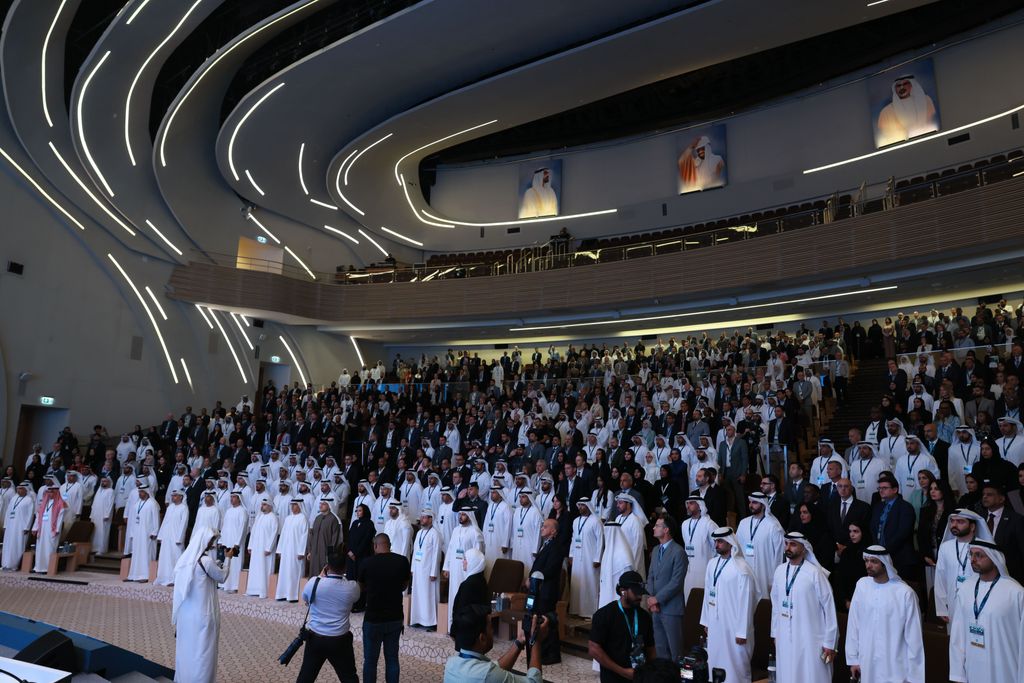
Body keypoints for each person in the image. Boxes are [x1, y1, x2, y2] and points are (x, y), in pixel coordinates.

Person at [845, 545, 925, 682]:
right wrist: (853, 659)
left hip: (895, 667)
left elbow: (914, 638)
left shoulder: (905, 593)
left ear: (885, 563)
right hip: (867, 663)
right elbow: (854, 624)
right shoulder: (862, 585)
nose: (868, 565)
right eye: (866, 561)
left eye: (874, 561)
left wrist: (914, 677)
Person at [948, 538, 1024, 682]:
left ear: (994, 559)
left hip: (1005, 671)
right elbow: (958, 635)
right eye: (971, 554)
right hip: (973, 669)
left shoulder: (1015, 592)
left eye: (979, 555)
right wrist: (958, 674)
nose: (973, 560)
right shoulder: (965, 589)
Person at [769, 532, 838, 683]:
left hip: (810, 637)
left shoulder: (814, 573)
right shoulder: (779, 571)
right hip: (784, 634)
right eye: (787, 544)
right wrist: (775, 633)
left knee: (809, 674)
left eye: (793, 544)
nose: (788, 547)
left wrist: (829, 642)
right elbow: (775, 605)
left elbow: (829, 608)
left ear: (803, 548)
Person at [171, 526, 234, 683]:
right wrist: (228, 558)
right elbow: (222, 576)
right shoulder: (206, 561)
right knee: (203, 654)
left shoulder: (186, 560)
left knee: (187, 651)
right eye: (211, 541)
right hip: (202, 616)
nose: (212, 544)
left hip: (186, 615)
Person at [700, 527, 757, 683]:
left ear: (730, 543)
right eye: (715, 541)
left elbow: (746, 602)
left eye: (720, 541)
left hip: (734, 627)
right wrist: (706, 621)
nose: (716, 545)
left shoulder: (742, 568)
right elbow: (707, 593)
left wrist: (742, 631)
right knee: (714, 660)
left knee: (734, 666)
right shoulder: (712, 564)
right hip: (715, 623)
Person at [295, 551, 360, 683]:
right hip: (339, 640)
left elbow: (306, 599)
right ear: (345, 568)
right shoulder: (352, 587)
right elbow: (355, 598)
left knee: (305, 678)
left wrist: (320, 576)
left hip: (315, 638)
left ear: (327, 566)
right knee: (349, 678)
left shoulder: (314, 583)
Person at [444, 603, 549, 683]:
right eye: (491, 627)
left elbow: (496, 669)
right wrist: (536, 640)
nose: (493, 631)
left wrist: (519, 641)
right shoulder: (486, 674)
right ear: (482, 638)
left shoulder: (451, 664)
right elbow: (535, 681)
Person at [358, 533, 411, 683]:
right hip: (395, 617)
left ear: (375, 546)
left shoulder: (367, 563)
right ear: (389, 545)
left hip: (373, 619)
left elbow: (360, 587)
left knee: (370, 661)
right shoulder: (402, 561)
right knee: (392, 659)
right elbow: (404, 585)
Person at [588, 570, 656, 683]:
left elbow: (651, 649)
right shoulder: (604, 615)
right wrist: (623, 671)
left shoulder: (644, 616)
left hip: (639, 677)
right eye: (636, 592)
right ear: (623, 591)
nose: (640, 596)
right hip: (613, 678)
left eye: (641, 593)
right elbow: (594, 649)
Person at [646, 513, 687, 662]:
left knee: (675, 650)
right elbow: (651, 576)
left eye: (657, 526)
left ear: (666, 530)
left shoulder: (679, 552)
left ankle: (677, 674)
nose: (654, 528)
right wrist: (651, 598)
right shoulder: (656, 550)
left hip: (671, 608)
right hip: (655, 608)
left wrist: (657, 599)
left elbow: (676, 582)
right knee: (660, 648)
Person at [528, 518, 567, 664]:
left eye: (545, 527)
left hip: (547, 591)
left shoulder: (556, 547)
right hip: (539, 589)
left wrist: (534, 577)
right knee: (540, 619)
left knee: (547, 620)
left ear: (553, 531)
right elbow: (537, 565)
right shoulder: (545, 545)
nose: (541, 528)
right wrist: (530, 577)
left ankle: (551, 654)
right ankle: (541, 651)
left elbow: (550, 569)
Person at [736, 492, 785, 599]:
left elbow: (779, 554)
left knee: (764, 603)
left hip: (765, 573)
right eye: (750, 502)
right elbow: (737, 549)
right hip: (745, 572)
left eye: (754, 503)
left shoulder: (773, 526)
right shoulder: (743, 523)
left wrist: (775, 579)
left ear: (763, 505)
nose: (751, 505)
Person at [569, 497, 603, 618]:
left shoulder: (596, 521)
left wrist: (597, 559)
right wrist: (571, 555)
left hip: (590, 558)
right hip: (577, 557)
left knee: (589, 583)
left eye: (582, 505)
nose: (580, 507)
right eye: (579, 505)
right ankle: (575, 610)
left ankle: (589, 612)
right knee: (577, 583)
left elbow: (600, 541)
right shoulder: (575, 521)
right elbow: (573, 539)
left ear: (588, 506)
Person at [410, 510, 443, 631]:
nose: (422, 520)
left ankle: (430, 622)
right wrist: (413, 568)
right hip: (418, 569)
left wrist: (433, 572)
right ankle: (417, 619)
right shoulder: (419, 533)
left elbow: (436, 555)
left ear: (430, 519)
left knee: (428, 596)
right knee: (417, 594)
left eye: (424, 518)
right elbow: (415, 552)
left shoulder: (435, 534)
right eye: (421, 517)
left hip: (428, 571)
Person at [276, 499, 309, 602]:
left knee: (294, 572)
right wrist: (280, 549)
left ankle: (293, 595)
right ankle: (282, 594)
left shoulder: (303, 518)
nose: (293, 507)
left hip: (296, 552)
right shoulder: (288, 518)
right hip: (286, 551)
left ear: (300, 506)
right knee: (284, 572)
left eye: (295, 505)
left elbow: (304, 536)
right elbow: (283, 534)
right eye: (292, 505)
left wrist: (301, 552)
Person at [126, 484, 159, 582]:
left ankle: (145, 576)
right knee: (136, 554)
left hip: (147, 534)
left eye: (142, 492)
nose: (140, 494)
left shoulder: (152, 503)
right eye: (139, 492)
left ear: (147, 492)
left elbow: (156, 519)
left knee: (146, 554)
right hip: (137, 533)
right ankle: (133, 575)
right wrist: (132, 532)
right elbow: (133, 519)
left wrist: (155, 532)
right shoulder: (137, 503)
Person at [245, 500, 278, 598]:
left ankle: (263, 592)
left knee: (264, 569)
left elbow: (274, 534)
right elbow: (253, 533)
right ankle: (252, 590)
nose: (262, 506)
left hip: (265, 550)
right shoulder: (259, 517)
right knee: (255, 569)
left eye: (264, 505)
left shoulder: (273, 518)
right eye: (262, 505)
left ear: (270, 506)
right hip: (256, 549)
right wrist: (250, 546)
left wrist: (269, 548)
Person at [155, 490, 188, 586]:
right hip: (166, 537)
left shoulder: (184, 508)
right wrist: (161, 535)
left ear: (181, 497)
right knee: (165, 557)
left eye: (175, 496)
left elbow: (183, 524)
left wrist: (179, 538)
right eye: (172, 496)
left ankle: (174, 579)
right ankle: (163, 577)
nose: (173, 497)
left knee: (175, 557)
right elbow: (165, 522)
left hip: (176, 538)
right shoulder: (170, 507)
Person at [217, 492, 248, 592]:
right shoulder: (228, 511)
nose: (232, 499)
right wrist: (221, 540)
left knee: (235, 564)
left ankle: (235, 586)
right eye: (231, 497)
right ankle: (224, 584)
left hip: (235, 543)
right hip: (226, 541)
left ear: (239, 499)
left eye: (234, 497)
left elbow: (242, 528)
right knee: (226, 562)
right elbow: (224, 526)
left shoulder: (242, 511)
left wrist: (237, 543)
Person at [307, 498, 342, 575]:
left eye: (323, 504)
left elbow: (335, 539)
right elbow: (312, 535)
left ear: (329, 505)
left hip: (325, 552)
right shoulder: (317, 518)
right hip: (314, 551)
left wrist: (330, 554)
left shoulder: (333, 519)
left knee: (323, 573)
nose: (321, 506)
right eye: (320, 504)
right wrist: (310, 551)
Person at [89, 476, 115, 555]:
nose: (103, 483)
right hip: (96, 514)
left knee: (103, 532)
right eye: (102, 481)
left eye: (105, 481)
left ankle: (101, 549)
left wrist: (107, 515)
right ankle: (94, 548)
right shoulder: (99, 490)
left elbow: (110, 504)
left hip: (104, 515)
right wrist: (91, 514)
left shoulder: (111, 491)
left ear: (109, 482)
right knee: (95, 531)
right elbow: (94, 503)